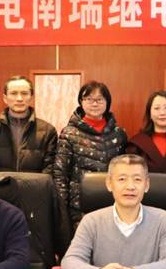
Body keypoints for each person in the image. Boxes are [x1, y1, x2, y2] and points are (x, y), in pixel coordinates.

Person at [61, 154, 166, 269]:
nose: (130, 186)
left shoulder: (164, 220)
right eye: (122, 179)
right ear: (109, 184)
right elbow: (69, 262)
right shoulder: (91, 221)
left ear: (147, 185)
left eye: (137, 179)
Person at [125, 90, 166, 266]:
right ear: (149, 112)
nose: (162, 112)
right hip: (144, 211)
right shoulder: (137, 143)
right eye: (157, 108)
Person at [53, 80, 128, 231]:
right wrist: (62, 208)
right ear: (81, 102)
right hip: (79, 207)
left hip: (113, 203)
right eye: (89, 99)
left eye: (99, 99)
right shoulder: (69, 133)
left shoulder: (119, 134)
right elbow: (60, 173)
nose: (94, 103)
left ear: (107, 102)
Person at [0, 75, 57, 173]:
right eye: (13, 93)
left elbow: (49, 170)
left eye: (24, 93)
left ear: (31, 98)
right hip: (1, 183)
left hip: (35, 183)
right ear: (5, 98)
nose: (19, 98)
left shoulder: (47, 131)